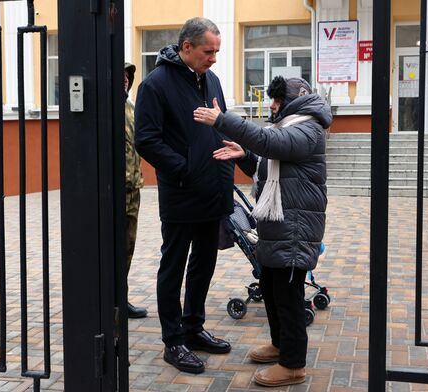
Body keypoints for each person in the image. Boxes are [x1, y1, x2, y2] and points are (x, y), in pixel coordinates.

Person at [194, 76, 332, 387]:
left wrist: (223, 121)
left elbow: (272, 145)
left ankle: (293, 364)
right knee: (271, 288)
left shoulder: (308, 128)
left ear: (296, 100)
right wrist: (245, 156)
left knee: (289, 297)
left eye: (277, 100)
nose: (272, 105)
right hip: (278, 225)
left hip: (295, 227)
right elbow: (269, 163)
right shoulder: (289, 126)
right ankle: (280, 345)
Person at [134, 17, 233, 374]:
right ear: (186, 47)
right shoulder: (155, 85)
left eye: (217, 51)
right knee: (173, 266)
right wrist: (184, 169)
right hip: (181, 193)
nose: (214, 59)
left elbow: (219, 123)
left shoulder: (212, 80)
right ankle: (173, 340)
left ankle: (193, 328)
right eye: (209, 51)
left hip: (213, 191)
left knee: (204, 264)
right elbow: (146, 139)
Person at [124, 62, 148, 319]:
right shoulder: (104, 110)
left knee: (127, 247)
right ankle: (108, 301)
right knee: (111, 248)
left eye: (128, 76)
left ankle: (121, 297)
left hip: (133, 190)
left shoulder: (131, 108)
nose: (125, 80)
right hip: (113, 191)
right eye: (120, 75)